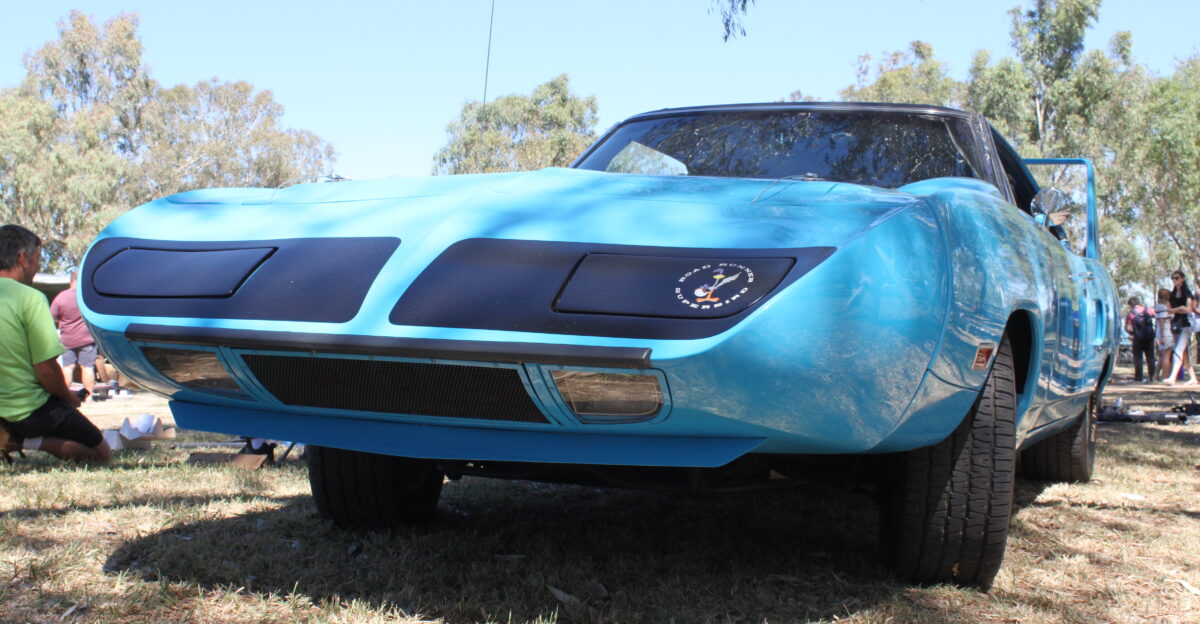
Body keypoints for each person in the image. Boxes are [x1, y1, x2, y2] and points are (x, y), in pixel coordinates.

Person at [0, 225, 110, 463]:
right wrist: (68, 397)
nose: (38, 267)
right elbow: (46, 370)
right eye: (38, 259)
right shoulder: (30, 298)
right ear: (22, 257)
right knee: (101, 453)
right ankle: (19, 440)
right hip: (26, 407)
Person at [50, 271, 97, 398]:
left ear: (71, 280)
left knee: (68, 367)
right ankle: (89, 396)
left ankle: (66, 397)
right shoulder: (87, 296)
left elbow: (52, 317)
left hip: (68, 339)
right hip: (87, 338)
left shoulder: (61, 297)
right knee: (87, 367)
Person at [1164, 271, 1198, 386]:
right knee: (1184, 353)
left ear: (1182, 279)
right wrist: (1180, 308)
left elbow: (1188, 309)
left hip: (1186, 325)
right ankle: (1193, 378)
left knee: (1178, 350)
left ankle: (1172, 377)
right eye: (1172, 278)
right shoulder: (1172, 295)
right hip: (1176, 324)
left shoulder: (1187, 294)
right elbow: (1169, 309)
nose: (1174, 280)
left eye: (1176, 278)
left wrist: (1178, 309)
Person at [1123, 296, 1156, 383]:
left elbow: (1127, 327)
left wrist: (1132, 333)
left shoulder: (1131, 314)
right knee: (1151, 358)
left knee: (1138, 358)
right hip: (1149, 338)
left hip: (1137, 339)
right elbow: (1157, 317)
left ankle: (1138, 377)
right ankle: (1152, 377)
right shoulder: (1148, 310)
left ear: (1130, 305)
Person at [1155, 288, 1173, 381]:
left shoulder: (1158, 306)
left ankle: (1156, 375)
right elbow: (1162, 321)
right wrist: (1162, 336)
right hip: (1165, 332)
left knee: (1162, 355)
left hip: (1161, 332)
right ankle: (1165, 376)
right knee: (1167, 355)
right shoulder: (1163, 307)